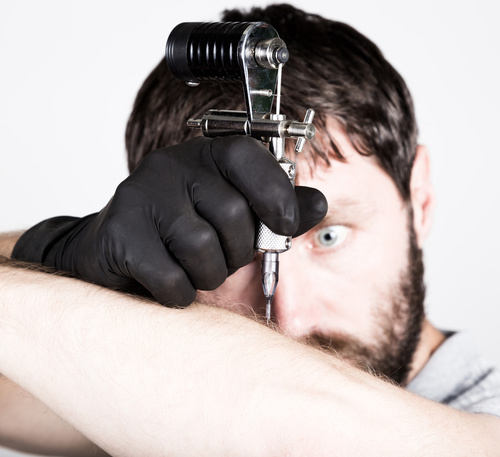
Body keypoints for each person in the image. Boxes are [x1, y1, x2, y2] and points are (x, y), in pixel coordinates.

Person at [1, 4, 499, 456]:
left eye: (330, 236)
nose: (289, 320)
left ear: (421, 199)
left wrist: (47, 280)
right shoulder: (172, 399)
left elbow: (297, 429)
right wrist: (58, 252)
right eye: (234, 243)